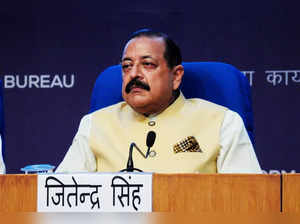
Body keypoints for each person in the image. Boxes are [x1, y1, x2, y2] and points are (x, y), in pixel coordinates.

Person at [56, 29, 261, 173]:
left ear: (176, 76)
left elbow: (248, 198)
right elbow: (59, 197)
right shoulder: (95, 124)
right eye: (127, 66)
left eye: (148, 64)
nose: (134, 74)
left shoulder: (222, 122)